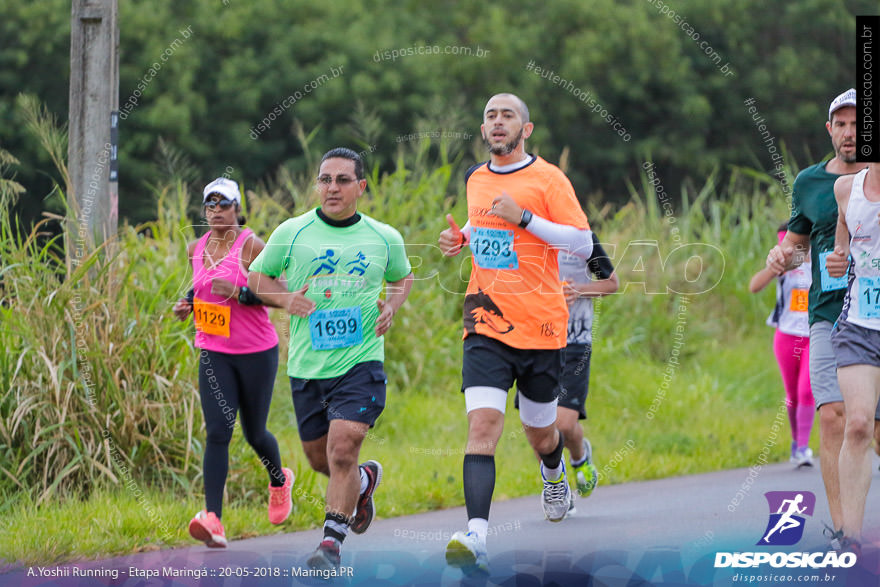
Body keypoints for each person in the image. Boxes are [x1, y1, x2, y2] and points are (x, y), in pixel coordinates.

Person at [438, 93, 593, 574]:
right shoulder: (475, 178)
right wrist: (460, 237)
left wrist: (524, 218)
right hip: (484, 319)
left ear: (526, 129)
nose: (498, 122)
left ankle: (554, 472)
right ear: (483, 130)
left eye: (508, 116)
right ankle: (477, 537)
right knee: (482, 427)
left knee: (540, 432)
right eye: (490, 116)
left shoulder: (549, 178)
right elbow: (482, 219)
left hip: (543, 326)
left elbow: (582, 242)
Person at [247, 148, 413, 570]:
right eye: (325, 179)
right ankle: (363, 481)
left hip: (361, 364)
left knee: (343, 449)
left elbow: (403, 275)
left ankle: (330, 546)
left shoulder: (383, 237)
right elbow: (256, 277)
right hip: (307, 368)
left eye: (342, 180)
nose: (332, 187)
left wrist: (393, 305)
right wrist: (286, 299)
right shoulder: (293, 232)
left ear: (361, 186)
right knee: (321, 460)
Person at [765, 88, 877, 548]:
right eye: (842, 125)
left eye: (858, 125)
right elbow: (798, 240)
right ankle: (843, 532)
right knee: (834, 417)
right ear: (830, 130)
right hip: (829, 313)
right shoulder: (811, 182)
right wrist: (782, 254)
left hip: (872, 311)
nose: (850, 134)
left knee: (869, 426)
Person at [173, 177, 293, 548]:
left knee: (255, 433)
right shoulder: (196, 248)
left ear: (237, 208)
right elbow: (200, 286)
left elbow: (281, 294)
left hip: (256, 352)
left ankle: (279, 480)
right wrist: (188, 303)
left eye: (223, 204)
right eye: (210, 204)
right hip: (213, 350)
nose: (216, 211)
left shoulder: (252, 246)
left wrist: (242, 293)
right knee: (217, 431)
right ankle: (213, 520)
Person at [824, 161, 880, 552]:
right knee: (857, 423)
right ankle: (852, 541)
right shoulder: (846, 189)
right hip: (859, 324)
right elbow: (840, 253)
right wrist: (836, 259)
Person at [549, 233, 618, 503]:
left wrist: (578, 290)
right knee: (539, 429)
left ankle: (580, 457)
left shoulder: (582, 238)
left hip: (575, 341)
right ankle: (557, 487)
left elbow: (611, 284)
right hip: (534, 340)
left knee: (564, 424)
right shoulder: (526, 233)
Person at [750, 221, 814, 467]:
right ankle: (796, 442)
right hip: (786, 334)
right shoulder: (784, 266)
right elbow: (754, 286)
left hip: (813, 334)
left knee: (806, 390)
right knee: (792, 395)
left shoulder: (819, 261)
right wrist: (774, 269)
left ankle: (803, 447)